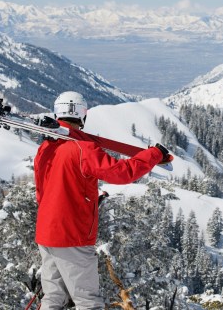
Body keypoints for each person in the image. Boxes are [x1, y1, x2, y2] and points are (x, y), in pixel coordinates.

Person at [34, 91, 169, 309]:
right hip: (72, 235)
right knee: (88, 301)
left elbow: (42, 192)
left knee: (53, 298)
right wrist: (153, 155)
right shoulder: (82, 149)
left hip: (46, 233)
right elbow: (121, 172)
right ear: (82, 116)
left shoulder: (46, 148)